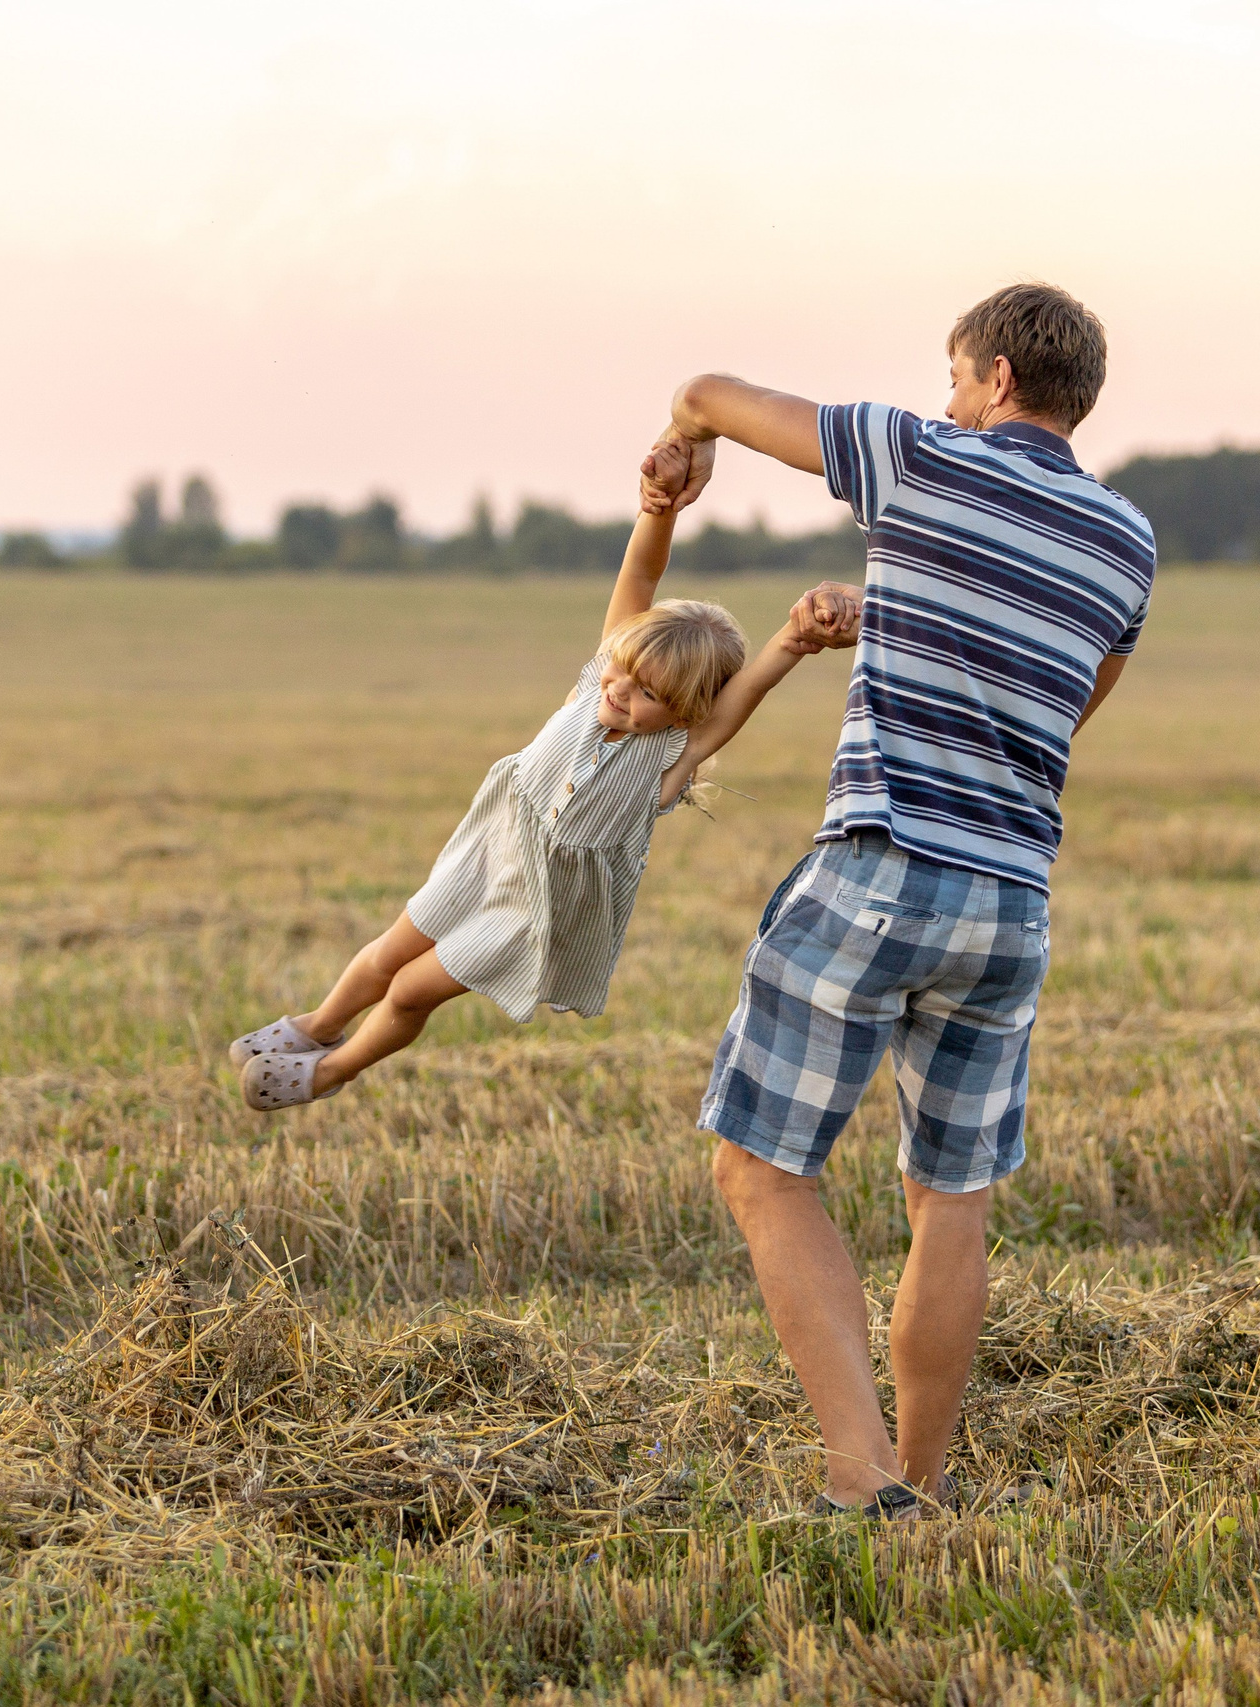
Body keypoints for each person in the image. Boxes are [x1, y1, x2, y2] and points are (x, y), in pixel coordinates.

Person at [641, 283, 1157, 1517]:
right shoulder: (1128, 540)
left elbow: (716, 391)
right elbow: (1066, 703)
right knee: (950, 1202)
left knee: (762, 1173)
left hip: (881, 865)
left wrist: (683, 442)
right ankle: (920, 1488)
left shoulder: (921, 453)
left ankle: (857, 1475)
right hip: (1011, 902)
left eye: (950, 379)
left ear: (990, 377)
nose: (942, 400)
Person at [227, 443, 852, 1110]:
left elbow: (750, 687)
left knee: (411, 990)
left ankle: (332, 1070)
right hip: (488, 851)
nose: (622, 691)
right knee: (386, 953)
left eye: (648, 694)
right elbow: (641, 574)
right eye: (625, 671)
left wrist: (796, 636)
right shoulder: (594, 687)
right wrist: (658, 507)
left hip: (537, 908)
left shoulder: (672, 756)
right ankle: (315, 1026)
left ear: (686, 713)